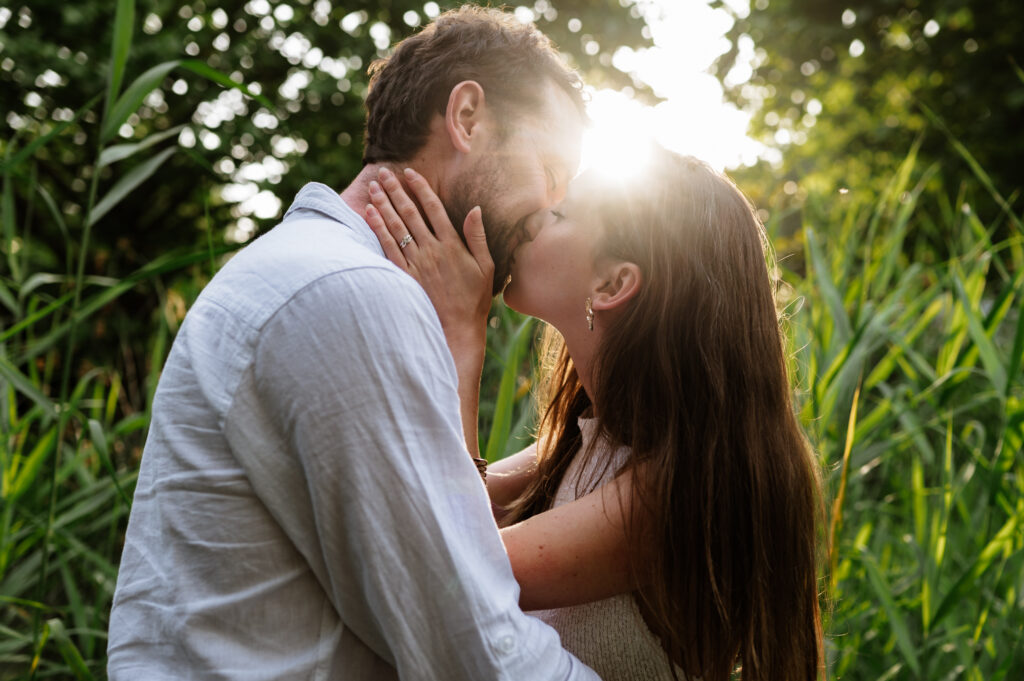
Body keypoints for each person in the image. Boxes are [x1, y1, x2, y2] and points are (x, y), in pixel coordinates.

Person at [107, 7, 598, 680]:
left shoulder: (317, 269)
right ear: (467, 118)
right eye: (548, 165)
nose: (550, 204)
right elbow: (473, 647)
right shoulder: (350, 292)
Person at [365, 148, 827, 681]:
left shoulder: (670, 491)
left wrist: (461, 336)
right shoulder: (589, 442)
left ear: (612, 285)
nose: (534, 215)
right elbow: (414, 502)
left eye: (560, 214)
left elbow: (453, 569)